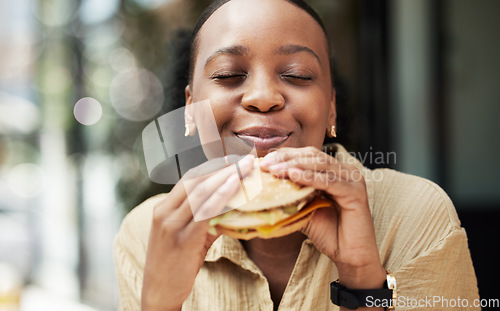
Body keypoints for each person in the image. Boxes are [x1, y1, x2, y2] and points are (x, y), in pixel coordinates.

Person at [114, 0, 479, 310]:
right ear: (190, 110)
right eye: (228, 75)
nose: (262, 97)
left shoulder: (415, 213)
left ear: (331, 108)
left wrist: (363, 281)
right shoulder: (144, 233)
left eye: (298, 75)